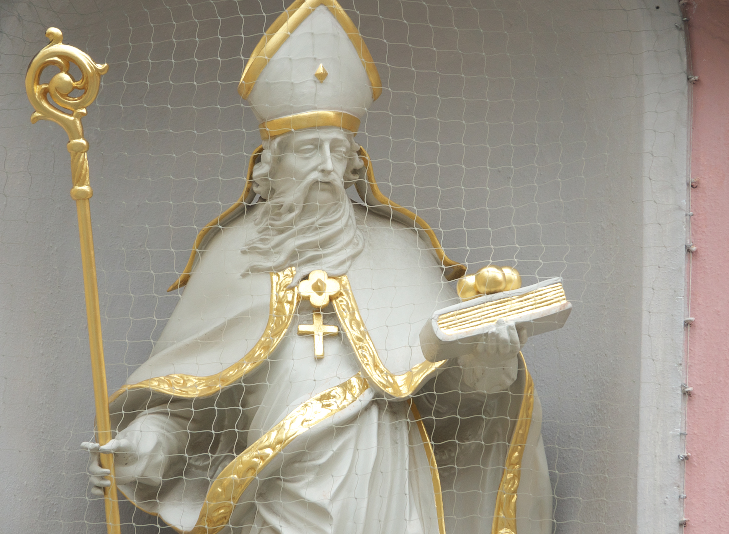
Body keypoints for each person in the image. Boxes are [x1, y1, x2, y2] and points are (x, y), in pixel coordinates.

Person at [84, 2, 553, 533]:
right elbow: (190, 404)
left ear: (355, 162)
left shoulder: (400, 250)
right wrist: (146, 445)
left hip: (387, 486)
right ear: (271, 162)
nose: (327, 167)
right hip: (275, 486)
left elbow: (450, 412)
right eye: (309, 150)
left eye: (339, 151)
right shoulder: (232, 255)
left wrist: (489, 365)